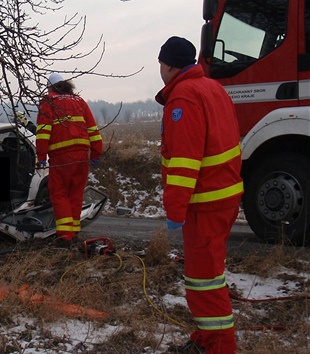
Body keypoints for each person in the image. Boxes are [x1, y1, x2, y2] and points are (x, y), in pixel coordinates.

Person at [156, 36, 243, 354]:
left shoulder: (184, 97)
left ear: (166, 64)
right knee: (208, 276)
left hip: (204, 204)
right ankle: (206, 339)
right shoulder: (212, 88)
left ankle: (219, 347)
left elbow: (184, 161)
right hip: (223, 196)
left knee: (204, 283)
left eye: (160, 64)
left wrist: (175, 210)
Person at [35, 73, 103, 245]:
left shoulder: (48, 102)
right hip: (82, 156)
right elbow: (93, 129)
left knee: (60, 194)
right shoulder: (79, 101)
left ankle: (65, 237)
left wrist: (41, 156)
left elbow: (43, 131)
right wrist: (96, 153)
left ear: (50, 88)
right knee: (75, 193)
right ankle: (73, 233)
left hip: (61, 156)